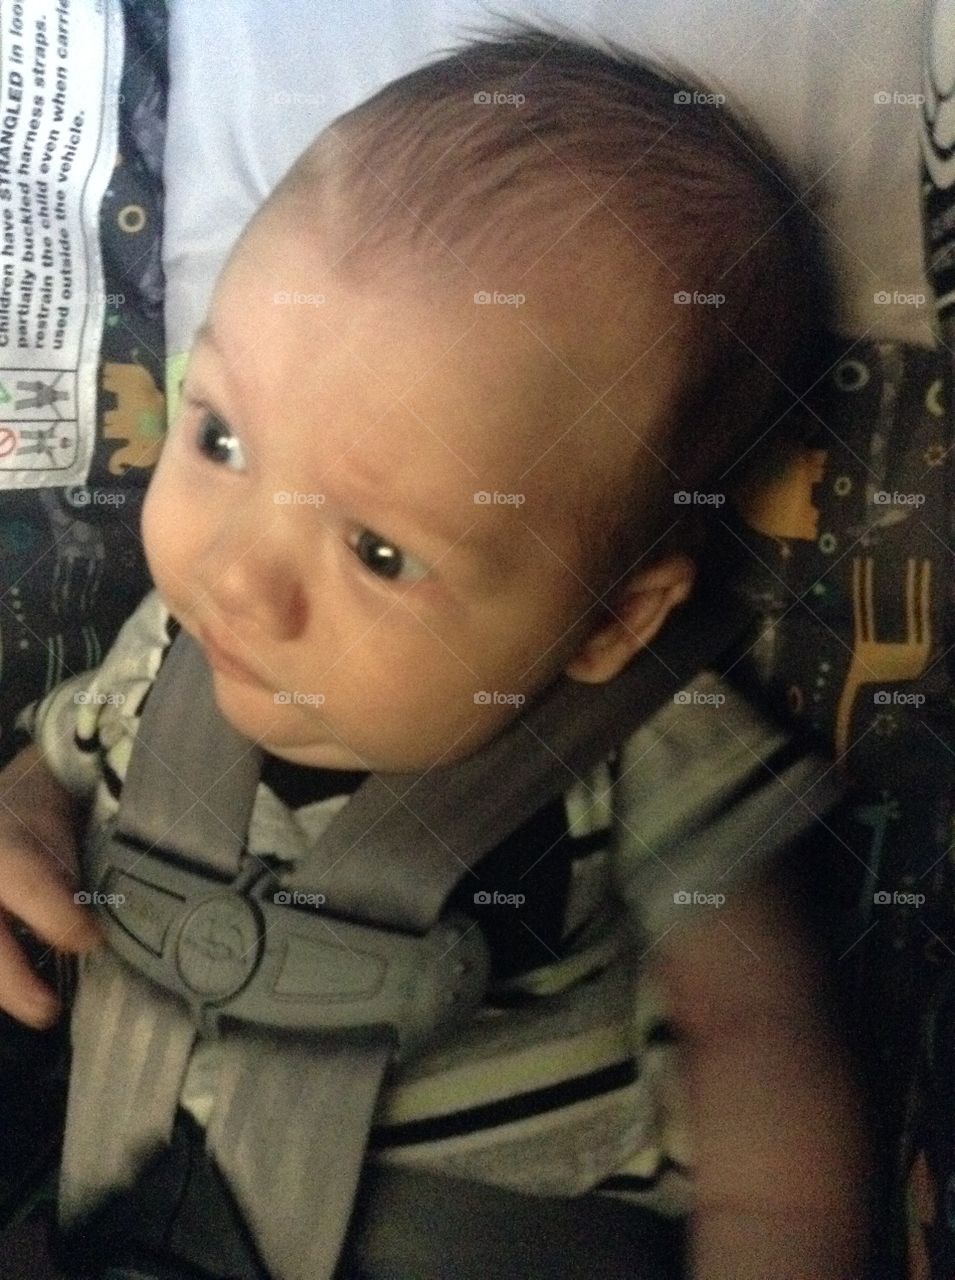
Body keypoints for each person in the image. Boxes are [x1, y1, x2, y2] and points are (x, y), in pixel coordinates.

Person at [0, 22, 868, 1280]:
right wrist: (22, 813)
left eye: (380, 553)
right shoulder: (169, 646)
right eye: (224, 441)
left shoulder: (653, 744)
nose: (237, 571)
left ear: (614, 619)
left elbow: (763, 1043)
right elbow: (57, 763)